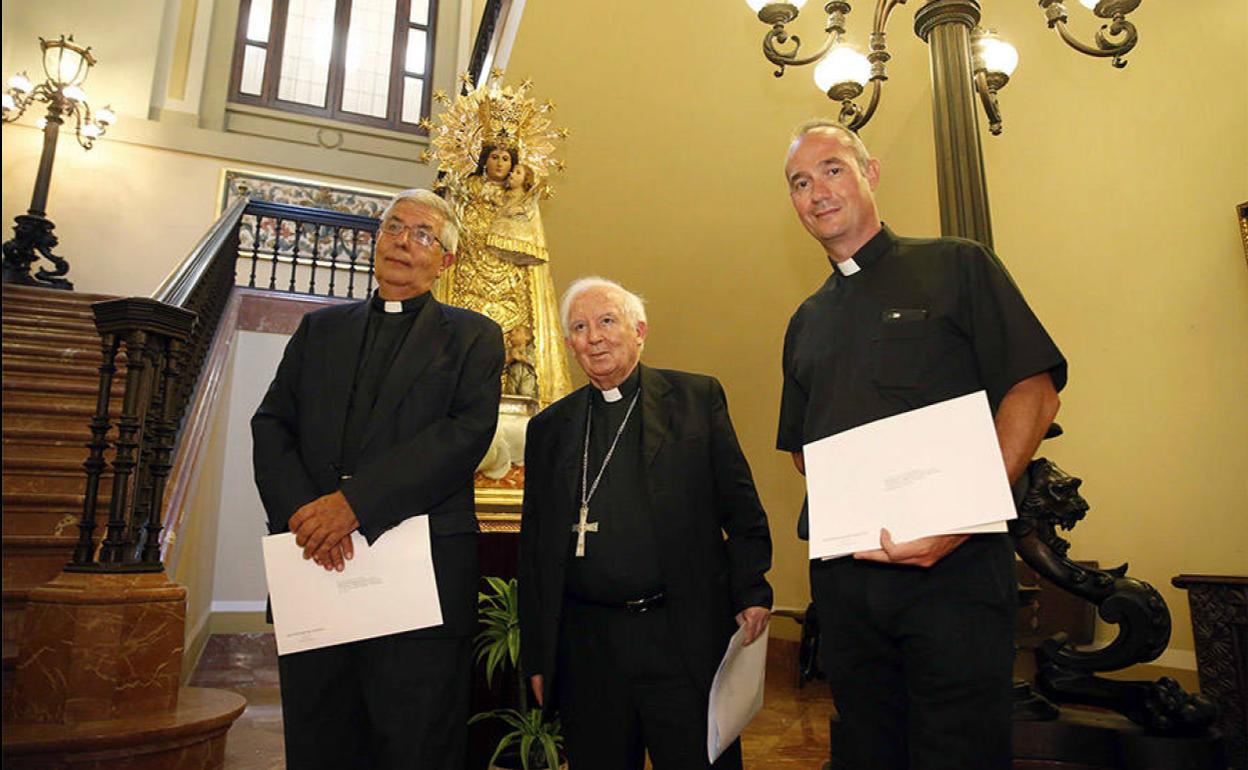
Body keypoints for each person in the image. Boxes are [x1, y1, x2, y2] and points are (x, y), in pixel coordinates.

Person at [777, 120, 1065, 770]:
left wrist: (955, 516)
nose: (816, 191)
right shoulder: (805, 322)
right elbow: (803, 450)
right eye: (800, 182)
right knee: (865, 751)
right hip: (847, 583)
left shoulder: (958, 265)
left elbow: (1034, 393)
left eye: (832, 170)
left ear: (870, 174)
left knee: (958, 753)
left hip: (956, 575)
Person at [251, 188, 504, 770]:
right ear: (375, 239)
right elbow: (271, 424)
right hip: (315, 560)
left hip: (419, 577)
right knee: (321, 736)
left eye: (423, 234)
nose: (402, 241)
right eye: (394, 227)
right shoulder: (320, 330)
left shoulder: (473, 337)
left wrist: (353, 506)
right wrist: (306, 516)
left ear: (446, 261)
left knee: (413, 743)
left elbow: (462, 436)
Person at [518, 277, 774, 770]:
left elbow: (741, 509)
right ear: (569, 344)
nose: (594, 337)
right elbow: (534, 553)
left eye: (607, 321)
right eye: (579, 327)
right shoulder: (549, 429)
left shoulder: (696, 399)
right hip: (587, 644)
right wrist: (538, 656)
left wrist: (751, 590)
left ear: (640, 330)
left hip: (678, 634)